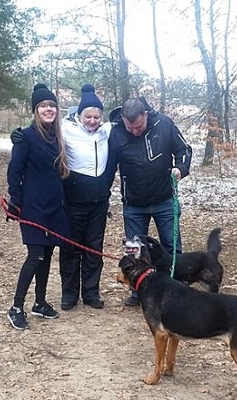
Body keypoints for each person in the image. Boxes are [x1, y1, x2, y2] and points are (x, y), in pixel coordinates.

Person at [108, 97, 192, 306]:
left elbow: (184, 150)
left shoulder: (163, 124)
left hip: (164, 199)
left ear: (145, 114)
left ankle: (176, 289)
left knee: (171, 246)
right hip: (134, 203)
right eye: (130, 127)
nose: (134, 131)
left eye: (138, 127)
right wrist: (102, 195)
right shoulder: (116, 132)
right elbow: (108, 166)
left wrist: (180, 169)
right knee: (134, 249)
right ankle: (139, 291)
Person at [5, 83, 70, 330]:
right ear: (35, 109)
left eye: (52, 105)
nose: (48, 109)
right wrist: (16, 201)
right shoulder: (26, 137)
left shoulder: (58, 138)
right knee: (35, 256)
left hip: (54, 208)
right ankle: (16, 307)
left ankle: (40, 303)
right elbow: (15, 171)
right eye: (43, 105)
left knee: (47, 256)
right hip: (33, 208)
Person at [57, 84, 117, 310]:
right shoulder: (65, 128)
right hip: (73, 201)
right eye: (88, 116)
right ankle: (69, 294)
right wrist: (20, 136)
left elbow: (133, 125)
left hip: (98, 203)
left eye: (96, 116)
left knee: (93, 248)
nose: (92, 121)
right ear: (79, 115)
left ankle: (91, 292)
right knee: (71, 247)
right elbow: (41, 129)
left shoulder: (107, 130)